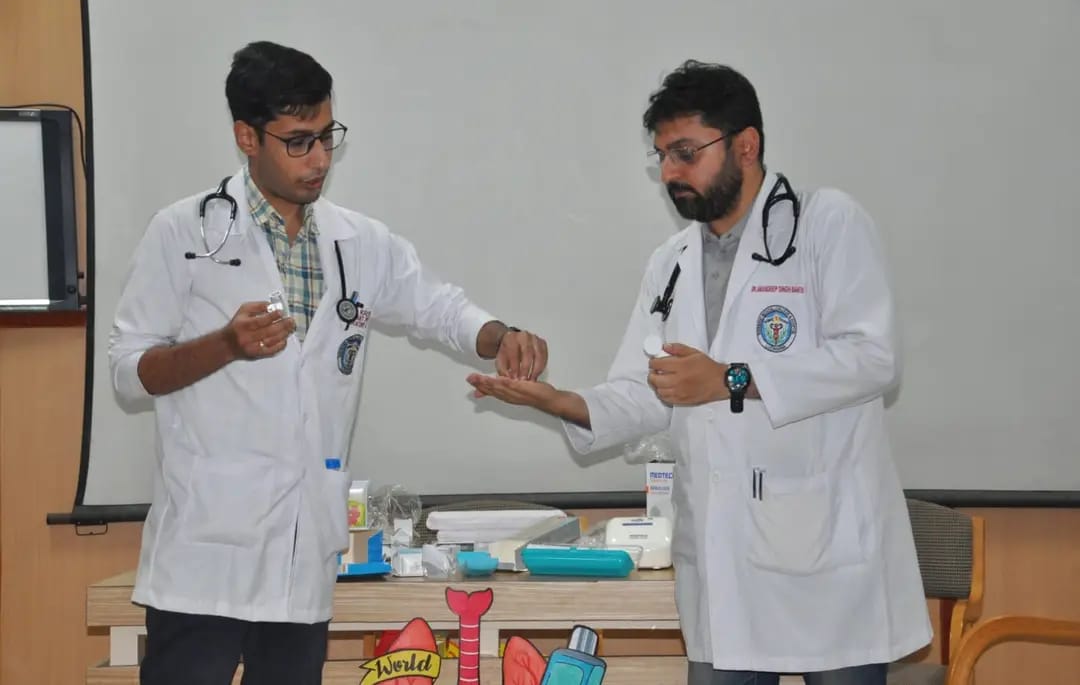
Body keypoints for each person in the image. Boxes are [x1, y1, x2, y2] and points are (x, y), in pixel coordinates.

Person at [467, 60, 931, 684]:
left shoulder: (827, 224)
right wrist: (561, 402)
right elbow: (649, 391)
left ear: (746, 145)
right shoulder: (672, 263)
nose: (669, 173)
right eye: (661, 156)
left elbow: (873, 358)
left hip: (826, 561)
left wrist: (732, 379)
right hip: (721, 562)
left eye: (685, 153)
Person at [109, 40, 548, 685]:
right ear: (246, 137)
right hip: (205, 560)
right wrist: (224, 345)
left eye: (326, 137)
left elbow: (436, 307)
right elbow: (128, 371)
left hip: (302, 558)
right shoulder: (183, 234)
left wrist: (498, 335)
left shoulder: (358, 241)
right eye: (298, 142)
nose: (319, 159)